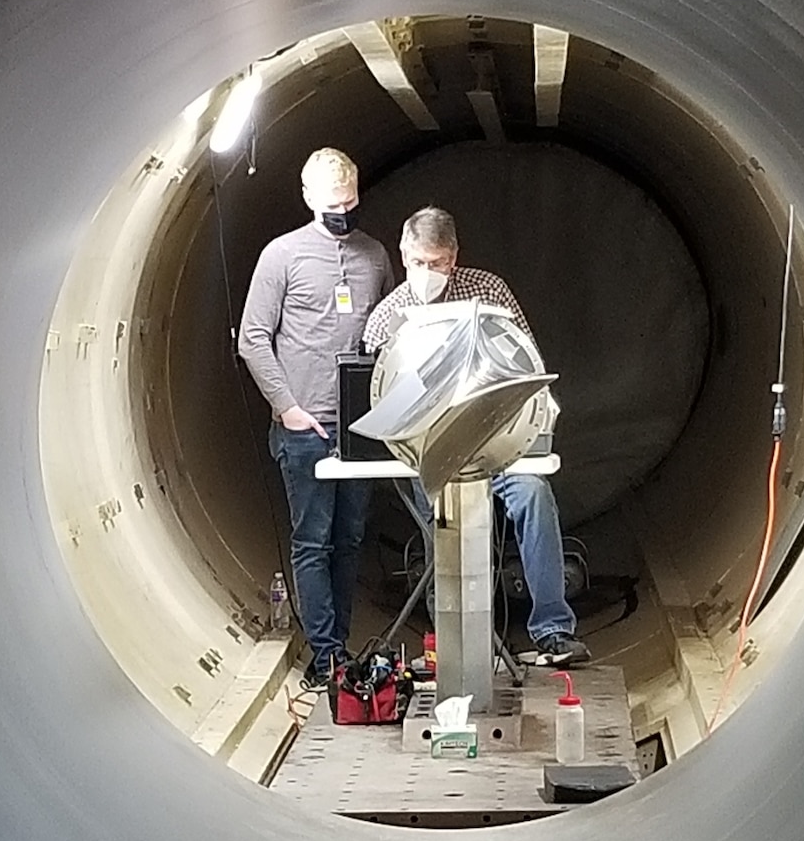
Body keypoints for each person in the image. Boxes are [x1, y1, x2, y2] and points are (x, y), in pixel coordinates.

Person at [364, 205, 590, 665]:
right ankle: (454, 638)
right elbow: (369, 389)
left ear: (455, 255)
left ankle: (552, 629)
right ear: (403, 253)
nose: (428, 272)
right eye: (418, 263)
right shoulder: (387, 317)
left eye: (438, 263)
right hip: (427, 450)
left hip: (494, 443)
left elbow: (528, 362)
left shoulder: (487, 290)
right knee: (442, 527)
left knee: (534, 497)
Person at [238, 147, 394, 686]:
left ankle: (342, 646)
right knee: (313, 539)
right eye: (331, 204)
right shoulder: (281, 256)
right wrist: (288, 408)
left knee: (350, 539)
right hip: (306, 428)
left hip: (359, 427)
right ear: (307, 199)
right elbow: (253, 338)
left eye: (349, 202)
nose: (341, 213)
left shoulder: (374, 256)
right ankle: (325, 654)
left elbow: (393, 332)